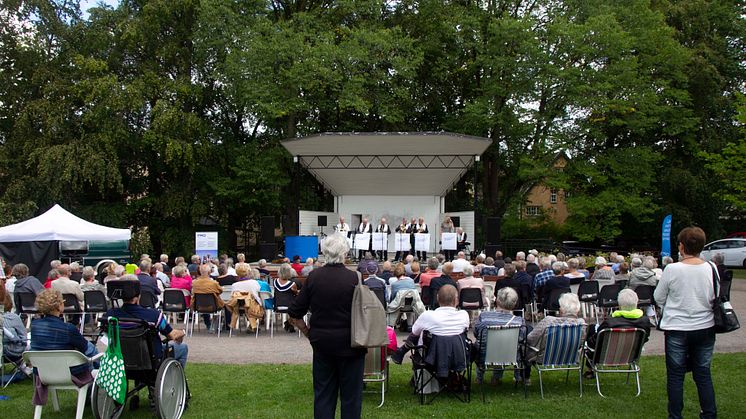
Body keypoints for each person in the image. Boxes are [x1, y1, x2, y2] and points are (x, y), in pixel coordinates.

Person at [287, 233, 366, 419]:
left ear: (324, 252)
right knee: (351, 398)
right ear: (344, 252)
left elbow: (294, 313)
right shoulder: (355, 278)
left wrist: (308, 333)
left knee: (323, 396)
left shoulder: (314, 277)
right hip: (352, 343)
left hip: (322, 343)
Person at [654, 227, 717, 419]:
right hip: (705, 326)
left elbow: (658, 297)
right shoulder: (711, 268)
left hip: (677, 327)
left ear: (681, 246)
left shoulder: (672, 269)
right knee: (703, 372)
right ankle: (709, 413)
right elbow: (715, 295)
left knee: (675, 375)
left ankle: (675, 415)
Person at [106, 279, 188, 368]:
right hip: (150, 358)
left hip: (121, 358)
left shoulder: (110, 315)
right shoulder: (154, 315)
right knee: (183, 347)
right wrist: (182, 332)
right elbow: (171, 335)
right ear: (138, 297)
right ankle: (175, 379)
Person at [390, 285, 469, 364]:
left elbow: (414, 332)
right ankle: (401, 352)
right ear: (457, 300)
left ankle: (402, 351)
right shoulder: (464, 315)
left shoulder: (427, 315)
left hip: (431, 358)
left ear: (437, 298)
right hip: (458, 358)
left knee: (419, 333)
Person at [30, 289, 99, 374]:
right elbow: (88, 350)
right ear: (59, 306)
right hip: (68, 372)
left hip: (42, 371)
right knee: (91, 349)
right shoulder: (68, 328)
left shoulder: (34, 326)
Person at [473, 287, 528, 384]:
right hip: (510, 357)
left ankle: (479, 378)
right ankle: (496, 378)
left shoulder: (484, 317)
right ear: (515, 303)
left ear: (497, 300)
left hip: (483, 356)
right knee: (504, 345)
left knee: (482, 345)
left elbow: (476, 333)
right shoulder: (519, 321)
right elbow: (522, 338)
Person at [526, 293, 586, 365]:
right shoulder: (581, 324)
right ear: (578, 309)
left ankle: (524, 373)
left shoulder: (548, 321)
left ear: (561, 310)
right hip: (570, 357)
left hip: (544, 357)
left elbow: (530, 339)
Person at [585, 289, 651, 353]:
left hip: (607, 356)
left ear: (619, 306)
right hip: (632, 355)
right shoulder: (645, 321)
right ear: (636, 303)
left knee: (591, 329)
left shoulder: (609, 323)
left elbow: (593, 343)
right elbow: (645, 339)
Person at [191, 264, 225, 332]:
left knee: (203, 301)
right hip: (214, 306)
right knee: (224, 305)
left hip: (198, 306)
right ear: (209, 272)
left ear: (200, 272)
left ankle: (208, 324)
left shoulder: (194, 283)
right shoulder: (213, 283)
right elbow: (220, 291)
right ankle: (223, 326)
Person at [275, 263, 300, 332]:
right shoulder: (292, 284)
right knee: (300, 308)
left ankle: (289, 324)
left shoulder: (275, 282)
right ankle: (289, 323)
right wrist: (297, 291)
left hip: (277, 306)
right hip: (290, 307)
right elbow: (297, 294)